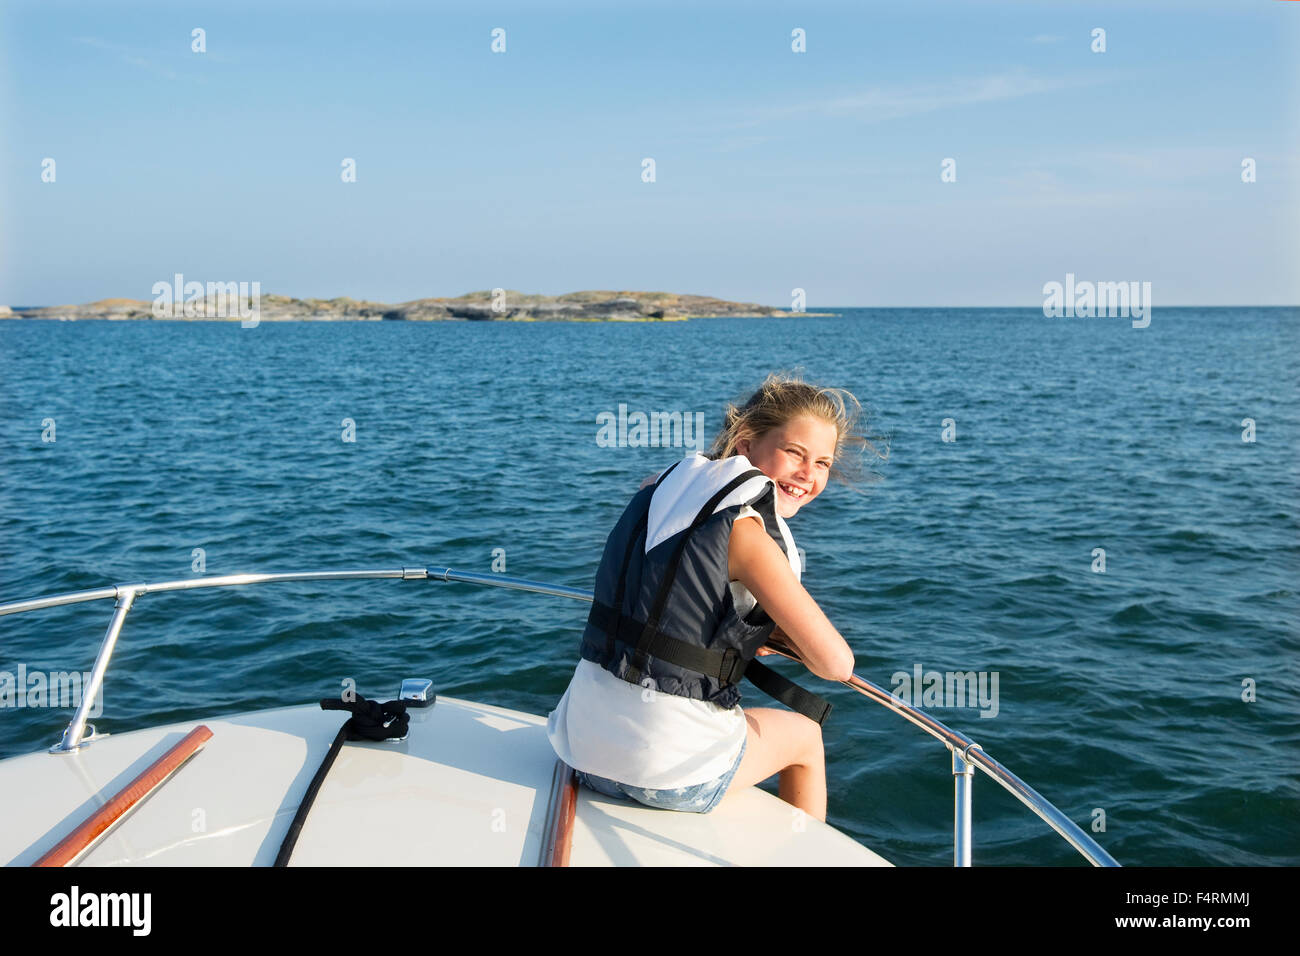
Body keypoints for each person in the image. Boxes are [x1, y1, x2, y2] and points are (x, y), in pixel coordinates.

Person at [546, 372, 874, 823]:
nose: (808, 475)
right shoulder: (746, 533)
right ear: (744, 445)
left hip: (579, 744)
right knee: (804, 737)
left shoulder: (657, 490)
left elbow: (673, 593)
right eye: (794, 453)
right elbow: (836, 665)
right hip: (666, 773)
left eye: (822, 463)